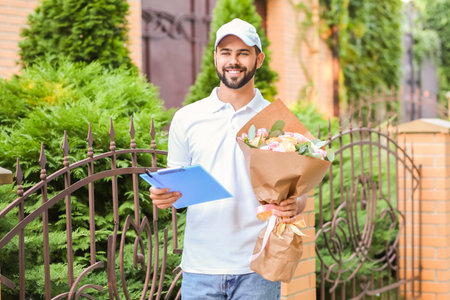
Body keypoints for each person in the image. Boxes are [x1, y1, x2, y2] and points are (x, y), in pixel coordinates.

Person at [150, 18, 306, 299]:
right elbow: (175, 190)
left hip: (257, 267)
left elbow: (300, 196)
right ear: (215, 58)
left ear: (259, 59)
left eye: (243, 53)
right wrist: (163, 196)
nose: (233, 61)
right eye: (226, 52)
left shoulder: (277, 120)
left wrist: (295, 205)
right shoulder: (188, 118)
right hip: (200, 268)